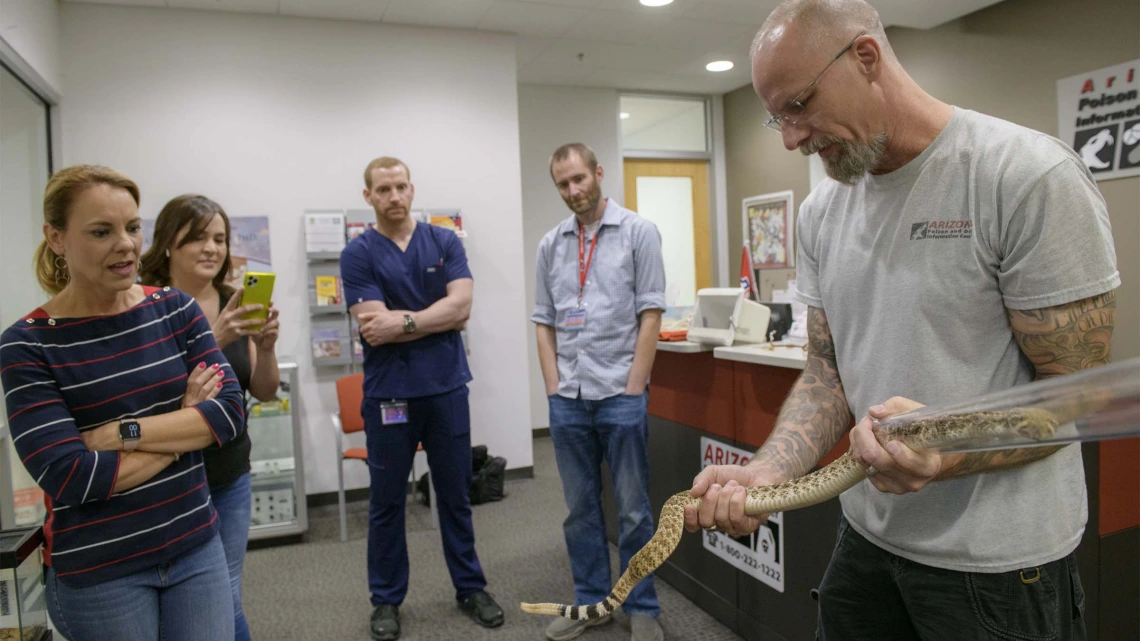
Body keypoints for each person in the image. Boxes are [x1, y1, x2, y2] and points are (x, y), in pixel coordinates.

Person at [684, 2, 1119, 640]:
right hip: (866, 544)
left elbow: (1075, 396)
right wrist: (770, 472)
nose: (790, 138)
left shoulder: (1024, 177)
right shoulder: (822, 212)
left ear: (865, 58)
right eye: (777, 116)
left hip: (996, 569)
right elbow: (827, 369)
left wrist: (943, 455)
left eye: (799, 105)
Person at [0, 165, 247, 640]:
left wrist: (121, 433)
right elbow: (70, 475)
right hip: (102, 571)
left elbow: (228, 413)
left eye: (133, 227)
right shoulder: (28, 345)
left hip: (195, 546)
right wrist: (183, 430)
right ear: (56, 238)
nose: (127, 244)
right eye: (101, 231)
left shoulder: (175, 309)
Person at [340, 156, 504, 641]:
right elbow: (374, 326)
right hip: (389, 396)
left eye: (401, 187)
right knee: (387, 502)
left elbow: (462, 305)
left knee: (454, 495)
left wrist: (404, 321)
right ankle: (386, 600)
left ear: (413, 189)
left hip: (446, 389)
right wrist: (438, 316)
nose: (394, 197)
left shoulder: (443, 240)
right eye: (383, 189)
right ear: (368, 196)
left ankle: (470, 588)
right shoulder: (358, 253)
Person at [532, 143, 667, 641]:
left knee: (633, 510)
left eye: (579, 179)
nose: (573, 191)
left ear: (598, 173)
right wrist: (553, 385)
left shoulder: (638, 233)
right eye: (563, 184)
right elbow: (543, 322)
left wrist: (635, 386)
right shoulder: (551, 245)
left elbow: (651, 313)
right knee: (579, 509)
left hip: (620, 393)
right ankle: (591, 603)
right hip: (568, 397)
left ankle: (642, 606)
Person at [139, 194, 282, 641]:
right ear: (168, 244)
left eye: (219, 239)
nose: (212, 249)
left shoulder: (233, 301)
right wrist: (213, 339)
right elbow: (150, 394)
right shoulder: (146, 306)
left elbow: (263, 390)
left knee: (225, 593)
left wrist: (269, 345)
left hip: (229, 471)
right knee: (192, 602)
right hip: (166, 478)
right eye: (198, 237)